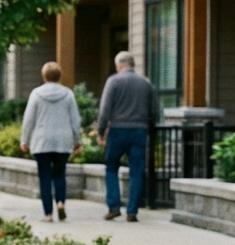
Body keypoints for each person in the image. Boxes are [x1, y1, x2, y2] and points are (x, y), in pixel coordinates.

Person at [97, 50, 159, 222]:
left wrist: (101, 130)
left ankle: (114, 207)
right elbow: (154, 110)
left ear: (119, 66)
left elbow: (105, 109)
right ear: (132, 65)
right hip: (139, 131)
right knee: (137, 170)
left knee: (111, 167)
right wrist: (148, 125)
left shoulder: (113, 81)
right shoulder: (145, 83)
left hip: (117, 129)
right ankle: (132, 211)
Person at [20, 62, 82, 222]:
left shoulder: (36, 94)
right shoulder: (68, 94)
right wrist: (77, 140)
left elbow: (29, 119)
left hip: (42, 141)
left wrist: (24, 140)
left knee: (45, 177)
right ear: (59, 76)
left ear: (44, 76)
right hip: (63, 140)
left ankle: (48, 213)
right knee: (60, 174)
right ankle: (60, 202)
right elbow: (75, 119)